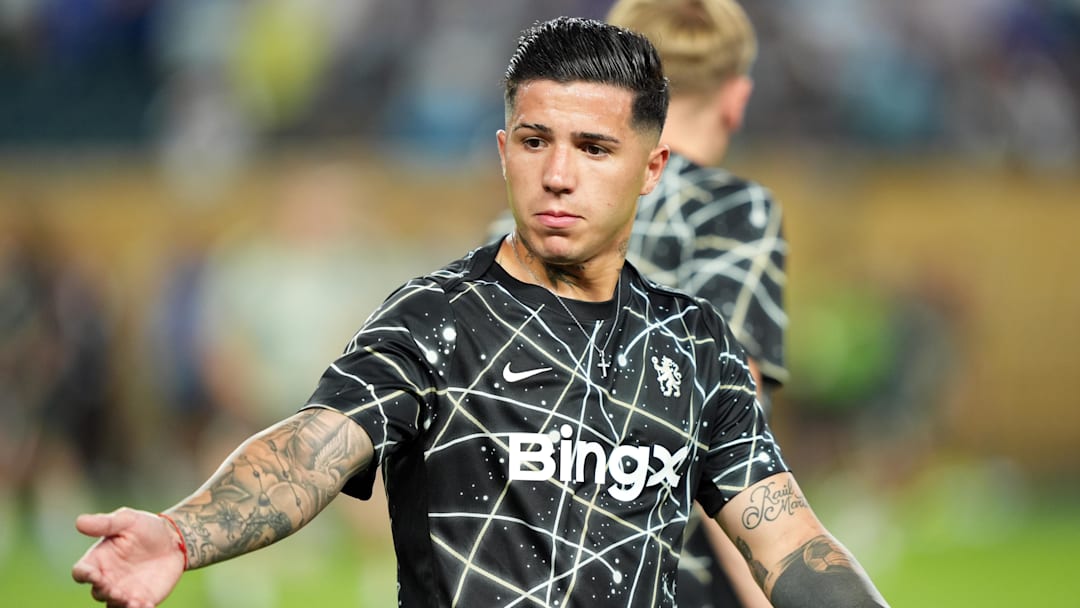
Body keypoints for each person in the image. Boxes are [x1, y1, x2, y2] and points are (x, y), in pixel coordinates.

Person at [72, 17, 888, 608]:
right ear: (504, 152)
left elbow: (787, 543)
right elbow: (310, 450)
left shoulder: (694, 343)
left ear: (652, 167)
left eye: (594, 148)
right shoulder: (434, 319)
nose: (558, 175)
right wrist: (180, 534)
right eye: (536, 142)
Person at [486, 2, 786, 605]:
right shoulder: (729, 211)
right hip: (670, 568)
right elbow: (724, 418)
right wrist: (765, 592)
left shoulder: (519, 224)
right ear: (737, 98)